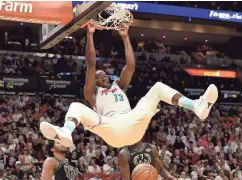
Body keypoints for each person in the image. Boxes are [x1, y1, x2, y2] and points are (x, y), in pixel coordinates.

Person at [40, 24, 218, 148]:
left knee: (157, 88)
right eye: (98, 77)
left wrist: (125, 37)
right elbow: (91, 63)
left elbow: (131, 65)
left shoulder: (119, 85)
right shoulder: (91, 93)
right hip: (110, 126)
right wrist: (90, 34)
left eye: (103, 75)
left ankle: (196, 105)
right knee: (75, 106)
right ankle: (66, 131)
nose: (101, 77)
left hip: (131, 122)